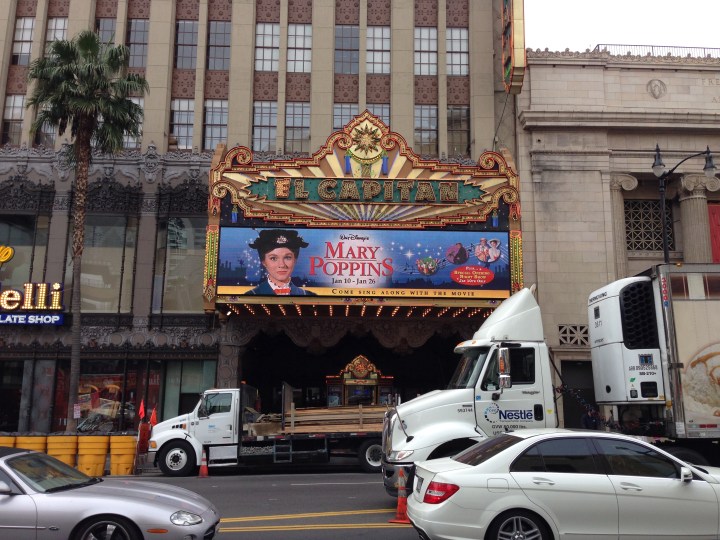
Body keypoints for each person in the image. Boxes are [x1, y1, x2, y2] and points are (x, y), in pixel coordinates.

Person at [245, 229, 316, 296]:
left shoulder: (308, 296)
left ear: (295, 260)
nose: (282, 265)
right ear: (263, 262)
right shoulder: (250, 296)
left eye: (288, 257)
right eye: (273, 258)